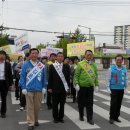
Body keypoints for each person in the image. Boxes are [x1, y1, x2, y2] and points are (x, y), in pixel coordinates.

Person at [19, 48, 47, 130]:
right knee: (30, 107)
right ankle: (31, 123)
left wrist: (44, 87)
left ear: (38, 55)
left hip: (39, 89)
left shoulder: (41, 65)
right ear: (30, 54)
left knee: (37, 107)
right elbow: (22, 77)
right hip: (29, 89)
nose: (34, 55)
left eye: (36, 53)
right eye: (33, 53)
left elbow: (44, 77)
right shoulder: (25, 65)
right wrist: (23, 87)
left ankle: (36, 120)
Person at [73, 50, 99, 125]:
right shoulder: (80, 64)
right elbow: (76, 75)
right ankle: (81, 115)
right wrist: (76, 84)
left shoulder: (94, 65)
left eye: (90, 55)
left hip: (90, 87)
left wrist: (96, 84)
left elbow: (96, 76)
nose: (89, 56)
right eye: (87, 55)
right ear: (85, 55)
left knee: (90, 104)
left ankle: (89, 118)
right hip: (82, 87)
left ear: (92, 56)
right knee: (81, 103)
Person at [48, 52, 70, 123]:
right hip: (55, 88)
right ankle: (55, 118)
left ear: (63, 58)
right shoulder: (52, 66)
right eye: (59, 56)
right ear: (56, 58)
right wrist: (49, 87)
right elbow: (50, 78)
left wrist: (68, 88)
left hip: (63, 88)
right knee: (55, 104)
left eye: (62, 56)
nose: (60, 57)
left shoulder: (67, 66)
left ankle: (61, 117)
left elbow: (68, 78)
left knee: (62, 104)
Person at [106, 54, 128, 124]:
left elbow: (126, 79)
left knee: (119, 104)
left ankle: (116, 117)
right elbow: (108, 79)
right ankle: (111, 117)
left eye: (120, 60)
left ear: (122, 61)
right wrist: (108, 88)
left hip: (121, 89)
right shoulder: (111, 69)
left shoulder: (124, 69)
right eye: (117, 60)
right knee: (113, 104)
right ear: (115, 61)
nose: (119, 61)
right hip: (113, 89)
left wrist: (126, 87)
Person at [0, 50, 13, 118]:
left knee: (4, 98)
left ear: (5, 56)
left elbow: (10, 74)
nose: (1, 56)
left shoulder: (8, 64)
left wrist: (10, 84)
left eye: (3, 54)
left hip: (5, 83)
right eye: (0, 54)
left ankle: (3, 112)